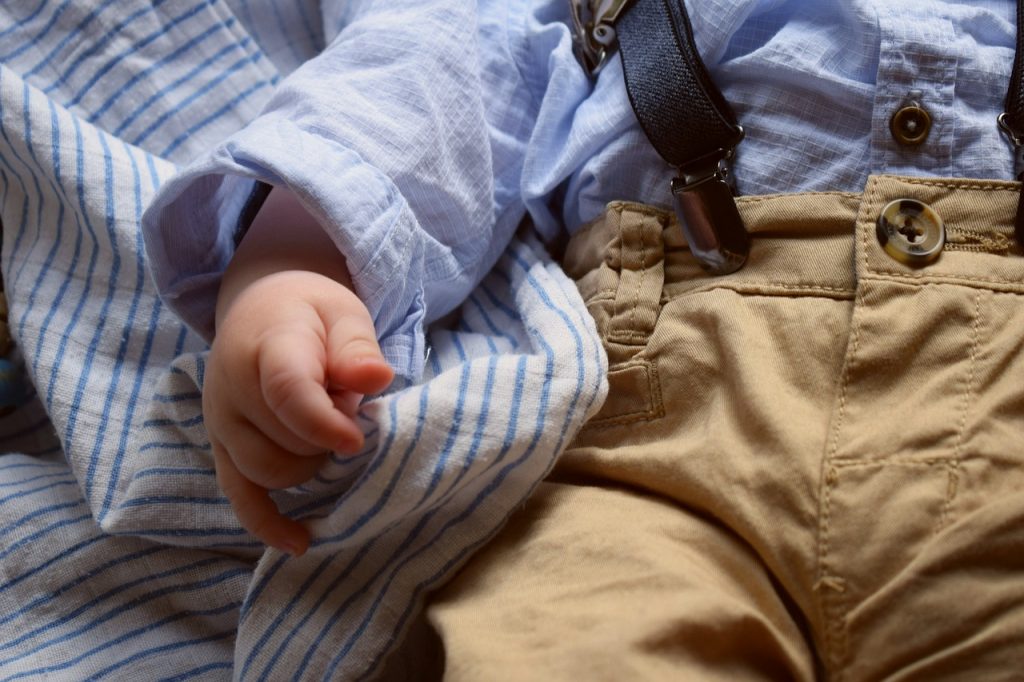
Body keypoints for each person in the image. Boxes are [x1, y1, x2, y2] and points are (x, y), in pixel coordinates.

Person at [144, 0, 1024, 677]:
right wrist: (299, 263)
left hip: (1001, 419)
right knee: (566, 641)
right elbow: (443, 61)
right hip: (657, 432)